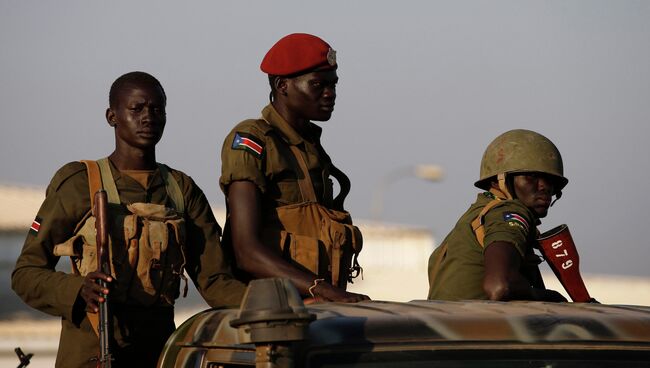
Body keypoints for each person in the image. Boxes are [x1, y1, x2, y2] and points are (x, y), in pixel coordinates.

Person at [12, 71, 247, 367]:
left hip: (158, 350)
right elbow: (26, 272)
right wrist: (79, 290)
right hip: (91, 349)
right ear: (112, 116)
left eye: (157, 109)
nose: (148, 117)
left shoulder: (181, 189)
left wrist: (275, 304)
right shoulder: (79, 183)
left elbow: (214, 280)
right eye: (136, 109)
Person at [219, 33, 369, 303]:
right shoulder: (252, 140)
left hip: (315, 305)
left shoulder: (311, 147)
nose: (330, 93)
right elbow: (246, 250)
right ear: (282, 85)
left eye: (333, 84)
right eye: (317, 84)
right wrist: (323, 290)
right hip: (273, 310)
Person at [427, 129, 568, 302]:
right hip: (479, 327)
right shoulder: (509, 212)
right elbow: (499, 286)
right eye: (531, 177)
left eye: (551, 180)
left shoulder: (475, 217)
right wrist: (553, 298)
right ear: (499, 181)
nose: (545, 187)